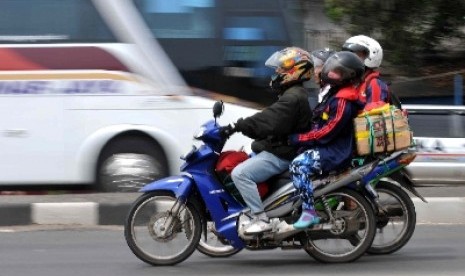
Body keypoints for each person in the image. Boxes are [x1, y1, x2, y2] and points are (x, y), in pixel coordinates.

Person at [219, 47, 314, 234]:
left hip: (283, 153)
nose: (277, 72)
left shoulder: (293, 98)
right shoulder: (292, 94)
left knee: (240, 174)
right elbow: (270, 120)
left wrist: (238, 125)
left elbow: (268, 121)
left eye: (282, 69)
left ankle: (260, 218)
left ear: (296, 71)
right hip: (281, 147)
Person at [287, 51, 365, 229]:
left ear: (346, 75)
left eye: (336, 71)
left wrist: (300, 139)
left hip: (335, 151)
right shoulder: (335, 94)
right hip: (329, 147)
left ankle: (309, 212)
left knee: (297, 166)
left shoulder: (343, 101)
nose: (329, 73)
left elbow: (327, 131)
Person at [342, 35, 391, 109]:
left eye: (357, 55)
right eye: (349, 54)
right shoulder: (354, 82)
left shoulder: (374, 84)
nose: (350, 59)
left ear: (371, 56)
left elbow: (374, 116)